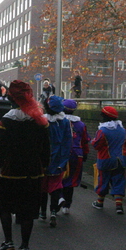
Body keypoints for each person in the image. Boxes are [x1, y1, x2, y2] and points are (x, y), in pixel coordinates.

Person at [0, 80, 50, 250]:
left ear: (11, 99)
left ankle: (8, 241)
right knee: (28, 210)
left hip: (10, 172)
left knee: (5, 207)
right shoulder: (39, 121)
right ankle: (25, 247)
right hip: (33, 172)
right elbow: (46, 149)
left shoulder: (6, 121)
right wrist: (44, 167)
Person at [39, 95, 72, 227]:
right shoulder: (64, 122)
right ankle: (53, 211)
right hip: (58, 159)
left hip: (43, 159)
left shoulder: (42, 121)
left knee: (42, 187)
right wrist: (63, 162)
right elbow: (67, 143)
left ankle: (42, 212)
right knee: (55, 187)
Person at [91, 106, 126, 214]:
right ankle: (118, 205)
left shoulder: (103, 130)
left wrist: (92, 141)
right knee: (119, 181)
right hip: (121, 159)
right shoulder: (123, 130)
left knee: (103, 180)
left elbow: (97, 144)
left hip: (106, 160)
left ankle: (99, 202)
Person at [61, 99, 90, 214]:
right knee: (71, 180)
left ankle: (59, 198)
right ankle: (67, 205)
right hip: (76, 154)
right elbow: (84, 141)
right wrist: (85, 154)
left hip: (62, 153)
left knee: (58, 177)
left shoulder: (59, 121)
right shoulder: (81, 124)